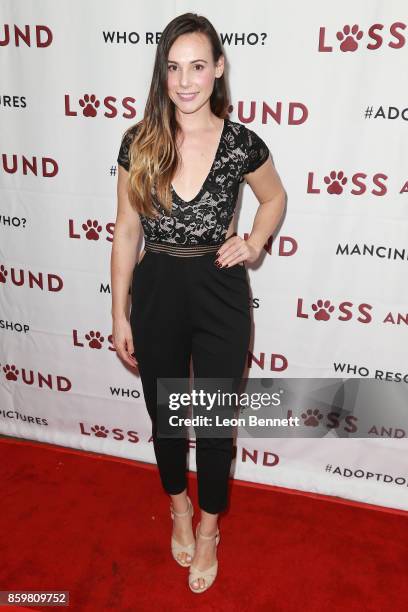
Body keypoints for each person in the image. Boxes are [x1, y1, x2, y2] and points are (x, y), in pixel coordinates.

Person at [111, 12, 286, 593]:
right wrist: (118, 313)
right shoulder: (139, 142)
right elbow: (126, 232)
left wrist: (255, 242)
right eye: (173, 68)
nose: (185, 81)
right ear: (162, 74)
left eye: (197, 66)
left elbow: (274, 198)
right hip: (156, 295)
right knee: (166, 418)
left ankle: (209, 529)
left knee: (212, 424)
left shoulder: (241, 142)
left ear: (218, 69)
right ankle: (179, 508)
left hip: (220, 298)